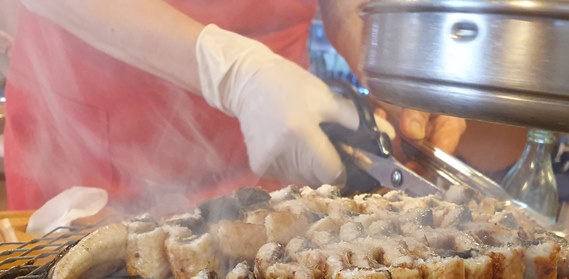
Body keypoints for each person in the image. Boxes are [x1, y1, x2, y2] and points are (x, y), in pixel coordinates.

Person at [4, 1, 466, 213]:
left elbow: (346, 6)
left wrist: (393, 70)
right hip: (96, 157)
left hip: (280, 138)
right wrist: (231, 72)